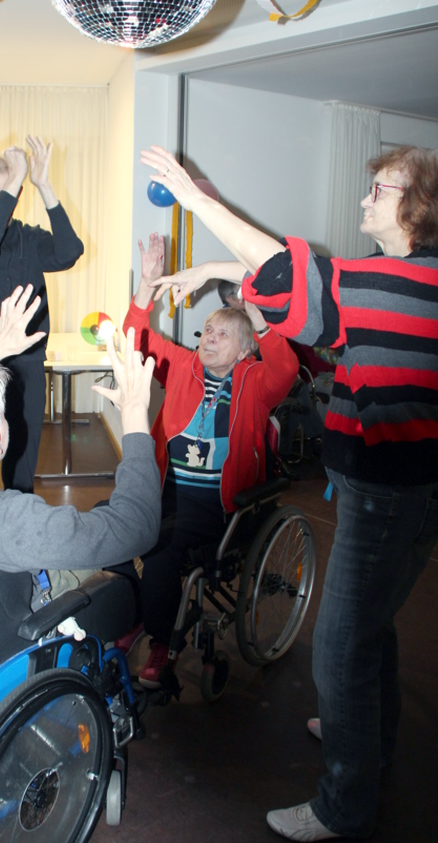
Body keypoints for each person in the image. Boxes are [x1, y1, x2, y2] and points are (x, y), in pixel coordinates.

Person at [142, 144, 438, 840]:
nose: (365, 197)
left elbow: (292, 279)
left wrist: (198, 201)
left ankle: (343, 807)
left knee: (338, 646)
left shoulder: (398, 284)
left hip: (385, 492)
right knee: (372, 628)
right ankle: (364, 733)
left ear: (418, 205)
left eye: (380, 188)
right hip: (401, 489)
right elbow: (302, 278)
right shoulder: (410, 280)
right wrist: (213, 267)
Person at [117, 233, 298, 688]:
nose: (210, 338)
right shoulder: (183, 366)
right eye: (208, 330)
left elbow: (286, 370)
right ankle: (136, 614)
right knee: (110, 523)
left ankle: (163, 643)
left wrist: (257, 317)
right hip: (166, 492)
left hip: (217, 509)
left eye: (223, 334)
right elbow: (134, 339)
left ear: (245, 349)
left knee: (158, 549)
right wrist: (147, 284)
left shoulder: (256, 382)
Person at [0, 327, 161, 584]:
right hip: (46, 599)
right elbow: (137, 527)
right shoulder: (14, 523)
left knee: (103, 510)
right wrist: (135, 411)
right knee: (115, 556)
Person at [0, 137, 84, 493]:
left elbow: (69, 252)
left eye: (8, 193)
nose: (1, 202)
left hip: (26, 363)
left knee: (22, 460)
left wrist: (43, 185)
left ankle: (17, 519)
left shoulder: (30, 239)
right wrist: (13, 182)